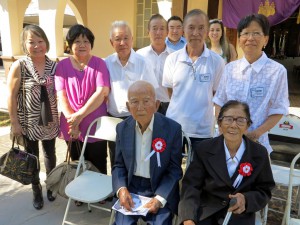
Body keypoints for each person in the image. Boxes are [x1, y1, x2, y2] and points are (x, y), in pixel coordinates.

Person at [178, 100, 275, 225]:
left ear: (248, 124)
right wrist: (188, 218)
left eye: (240, 120)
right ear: (219, 122)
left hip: (239, 218)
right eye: (228, 119)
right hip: (205, 216)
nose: (233, 125)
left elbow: (264, 190)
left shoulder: (259, 153)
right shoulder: (205, 149)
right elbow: (191, 186)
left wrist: (246, 200)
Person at [213, 14, 289, 154]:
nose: (250, 38)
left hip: (257, 143)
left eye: (256, 33)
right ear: (239, 39)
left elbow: (279, 109)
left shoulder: (277, 71)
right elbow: (219, 102)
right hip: (226, 141)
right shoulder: (230, 68)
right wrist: (223, 128)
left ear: (265, 39)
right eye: (246, 33)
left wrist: (254, 134)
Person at [112, 80, 182, 225]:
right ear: (128, 106)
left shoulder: (172, 129)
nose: (140, 107)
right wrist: (121, 189)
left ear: (157, 105)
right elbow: (118, 165)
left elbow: (174, 170)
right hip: (131, 186)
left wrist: (160, 198)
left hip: (159, 185)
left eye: (146, 101)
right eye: (134, 102)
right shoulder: (122, 128)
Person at [7, 24, 59, 210]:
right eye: (32, 42)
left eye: (40, 41)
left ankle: (51, 185)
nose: (37, 45)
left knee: (50, 154)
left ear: (46, 42)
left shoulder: (54, 66)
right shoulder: (19, 66)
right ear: (24, 44)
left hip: (50, 120)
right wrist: (14, 123)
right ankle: (36, 190)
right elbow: (11, 96)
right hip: (28, 123)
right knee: (32, 157)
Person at [162, 9, 225, 149]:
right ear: (183, 30)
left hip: (202, 130)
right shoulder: (172, 59)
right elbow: (171, 92)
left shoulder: (217, 62)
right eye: (191, 27)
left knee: (198, 170)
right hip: (174, 126)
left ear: (207, 31)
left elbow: (216, 96)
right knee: (172, 170)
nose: (196, 33)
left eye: (201, 28)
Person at [55, 24, 110, 176]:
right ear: (70, 44)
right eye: (77, 41)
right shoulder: (62, 66)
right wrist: (72, 121)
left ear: (91, 44)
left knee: (98, 159)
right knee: (76, 160)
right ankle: (79, 194)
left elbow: (102, 92)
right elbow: (61, 95)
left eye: (86, 41)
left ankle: (100, 195)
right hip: (70, 123)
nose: (82, 45)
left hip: (95, 123)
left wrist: (79, 116)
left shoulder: (99, 63)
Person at [105, 21, 159, 166]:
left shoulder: (143, 62)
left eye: (126, 38)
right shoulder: (106, 63)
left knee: (138, 158)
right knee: (116, 158)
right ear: (111, 42)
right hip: (114, 119)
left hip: (138, 118)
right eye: (117, 39)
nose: (122, 43)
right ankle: (118, 187)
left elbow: (152, 91)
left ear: (132, 39)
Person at [137, 14, 173, 115]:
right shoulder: (140, 55)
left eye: (162, 29)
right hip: (146, 104)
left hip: (169, 105)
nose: (158, 32)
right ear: (148, 32)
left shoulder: (174, 56)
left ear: (167, 32)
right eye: (154, 28)